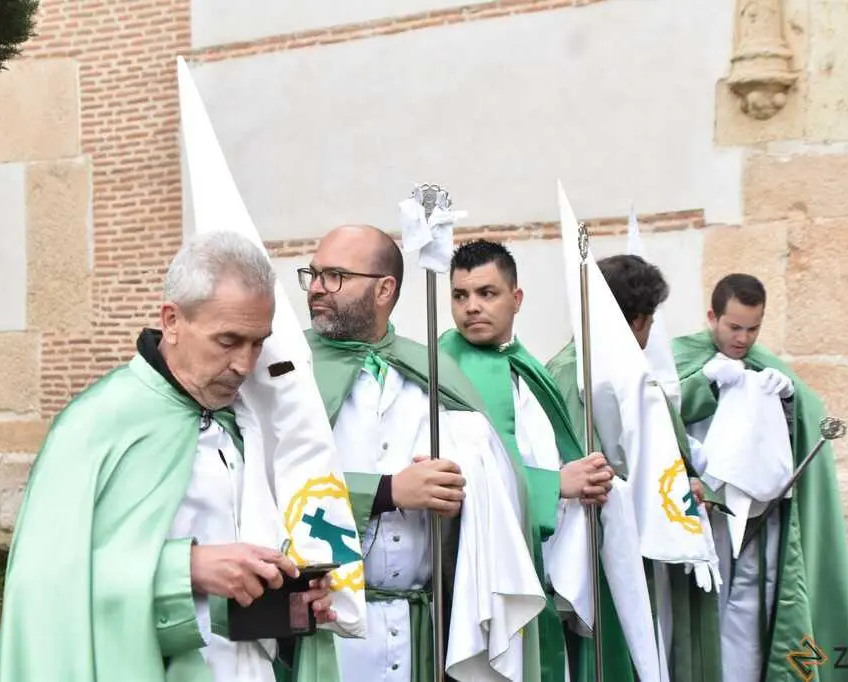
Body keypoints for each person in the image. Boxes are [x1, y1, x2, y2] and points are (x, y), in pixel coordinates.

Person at [0, 231, 336, 682]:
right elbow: (44, 585)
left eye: (258, 342)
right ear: (172, 320)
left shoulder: (248, 420)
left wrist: (291, 599)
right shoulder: (97, 425)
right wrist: (186, 569)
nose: (245, 365)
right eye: (229, 341)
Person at [301, 225, 546, 682]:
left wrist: (462, 488)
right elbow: (277, 488)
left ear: (384, 289)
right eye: (313, 274)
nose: (316, 288)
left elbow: (494, 485)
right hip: (327, 626)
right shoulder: (290, 373)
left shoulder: (429, 370)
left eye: (334, 276)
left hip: (422, 626)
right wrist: (388, 491)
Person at [439, 239, 631, 682]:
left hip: (546, 568)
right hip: (487, 581)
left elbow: (556, 451)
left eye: (487, 293)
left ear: (516, 298)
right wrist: (554, 486)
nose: (472, 307)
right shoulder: (441, 368)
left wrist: (594, 478)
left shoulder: (529, 366)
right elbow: (460, 474)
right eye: (460, 295)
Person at [671, 273, 848, 682]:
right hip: (700, 510)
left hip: (759, 518)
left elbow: (806, 422)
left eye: (752, 328)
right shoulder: (682, 358)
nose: (742, 338)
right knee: (701, 608)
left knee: (748, 609)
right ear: (713, 316)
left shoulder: (766, 365)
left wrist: (790, 399)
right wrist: (703, 383)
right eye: (734, 327)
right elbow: (657, 411)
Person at [546, 254, 722, 682]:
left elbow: (668, 457)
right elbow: (576, 467)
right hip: (604, 553)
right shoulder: (576, 376)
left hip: (646, 553)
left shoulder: (623, 373)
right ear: (639, 322)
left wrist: (688, 485)